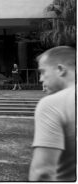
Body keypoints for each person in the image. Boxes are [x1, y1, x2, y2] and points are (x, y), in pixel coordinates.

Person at [29, 46, 76, 181]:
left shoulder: (52, 104)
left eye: (43, 72)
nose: (41, 79)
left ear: (60, 70)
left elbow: (42, 172)